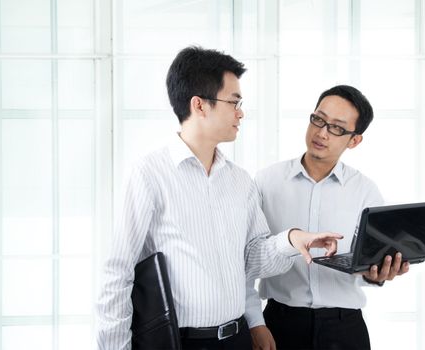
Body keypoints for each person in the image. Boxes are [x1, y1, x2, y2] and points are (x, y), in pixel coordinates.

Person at [95, 46, 342, 350]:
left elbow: (251, 261)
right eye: (234, 102)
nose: (241, 112)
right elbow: (118, 273)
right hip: (180, 342)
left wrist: (291, 240)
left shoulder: (239, 180)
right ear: (199, 105)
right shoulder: (149, 174)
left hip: (237, 339)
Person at [246, 85, 410, 350]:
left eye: (336, 128)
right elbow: (246, 259)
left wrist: (377, 274)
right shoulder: (267, 181)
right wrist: (254, 322)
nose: (321, 133)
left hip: (345, 328)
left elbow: (368, 263)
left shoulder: (364, 190)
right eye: (318, 120)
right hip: (280, 323)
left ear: (354, 140)